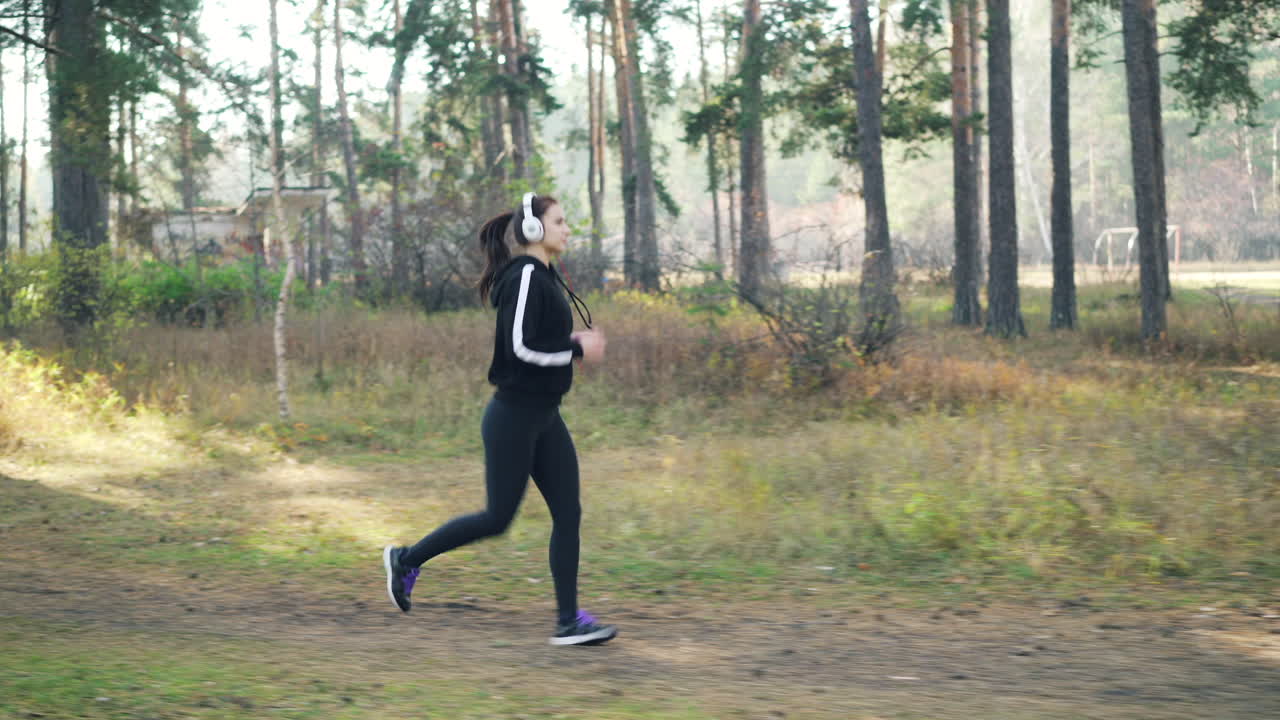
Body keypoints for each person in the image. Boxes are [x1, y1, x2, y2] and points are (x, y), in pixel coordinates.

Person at [382, 192, 617, 647]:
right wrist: (574, 349)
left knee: (568, 513)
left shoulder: (544, 277)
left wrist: (568, 339)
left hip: (545, 416)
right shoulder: (526, 276)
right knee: (496, 518)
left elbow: (537, 339)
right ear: (534, 230)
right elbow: (517, 349)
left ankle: (569, 621)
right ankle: (406, 559)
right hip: (514, 416)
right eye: (560, 221)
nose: (568, 229)